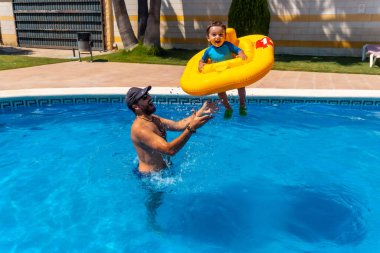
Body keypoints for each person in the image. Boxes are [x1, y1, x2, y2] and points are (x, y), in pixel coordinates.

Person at [126, 86, 217, 174]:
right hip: (150, 178)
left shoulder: (152, 118)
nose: (149, 97)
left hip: (163, 172)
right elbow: (169, 150)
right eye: (145, 97)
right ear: (136, 107)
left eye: (148, 94)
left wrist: (202, 111)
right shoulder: (141, 130)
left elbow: (178, 125)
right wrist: (191, 128)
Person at [198, 20, 248, 118]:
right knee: (220, 92)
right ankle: (228, 108)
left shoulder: (227, 45)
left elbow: (238, 50)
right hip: (219, 74)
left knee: (241, 86)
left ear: (224, 36)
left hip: (231, 71)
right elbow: (202, 60)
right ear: (208, 38)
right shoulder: (208, 51)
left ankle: (242, 106)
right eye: (214, 35)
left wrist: (241, 53)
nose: (217, 37)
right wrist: (201, 64)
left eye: (221, 35)